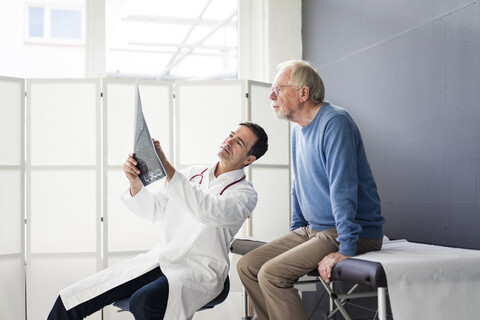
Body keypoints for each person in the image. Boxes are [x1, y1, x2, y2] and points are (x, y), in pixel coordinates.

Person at [47, 121, 268, 320]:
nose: (228, 141)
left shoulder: (245, 195)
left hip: (199, 269)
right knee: (71, 299)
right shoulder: (193, 174)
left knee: (143, 301)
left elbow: (206, 209)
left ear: (249, 159)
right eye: (230, 134)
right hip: (161, 259)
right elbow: (154, 210)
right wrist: (135, 182)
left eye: (238, 142)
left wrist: (165, 166)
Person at [237, 60, 385, 320]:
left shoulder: (335, 122)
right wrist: (297, 229)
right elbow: (298, 184)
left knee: (271, 274)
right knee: (248, 267)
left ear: (303, 93)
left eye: (278, 89)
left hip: (349, 231)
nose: (271, 95)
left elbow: (343, 187)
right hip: (314, 230)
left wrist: (347, 248)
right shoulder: (298, 130)